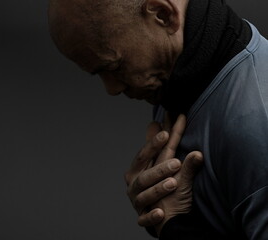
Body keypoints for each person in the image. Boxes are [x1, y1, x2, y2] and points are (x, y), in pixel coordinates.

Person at [48, 0, 268, 238]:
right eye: (97, 73)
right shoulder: (180, 82)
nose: (111, 88)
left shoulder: (257, 120)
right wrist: (158, 202)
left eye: (114, 66)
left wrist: (174, 227)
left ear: (164, 15)